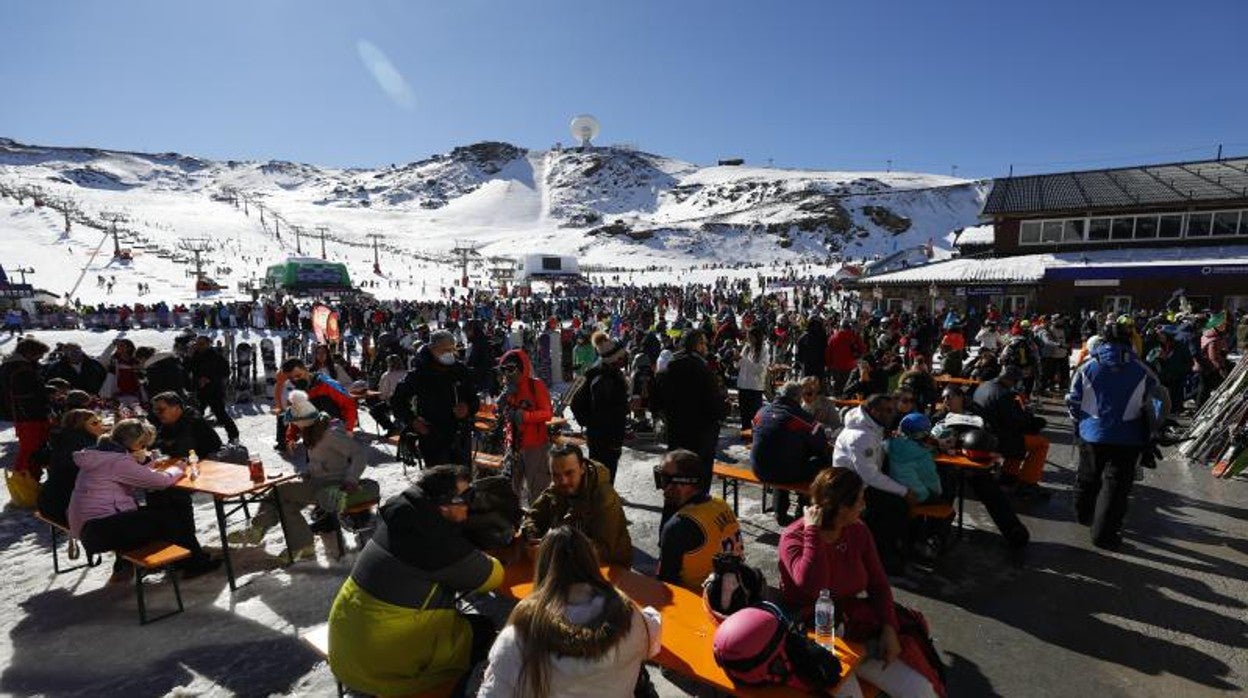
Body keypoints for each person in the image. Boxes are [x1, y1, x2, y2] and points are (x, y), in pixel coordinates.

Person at [328, 465, 503, 697]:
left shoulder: (400, 517)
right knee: (485, 631)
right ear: (444, 505)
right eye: (466, 497)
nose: (471, 504)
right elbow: (493, 576)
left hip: (345, 649)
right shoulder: (436, 540)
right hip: (381, 668)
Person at [779, 468, 942, 698]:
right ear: (841, 507)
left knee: (922, 690)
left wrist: (889, 627)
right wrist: (813, 533)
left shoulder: (857, 530)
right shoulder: (793, 537)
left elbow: (877, 584)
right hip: (813, 637)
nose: (864, 505)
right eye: (859, 500)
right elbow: (815, 587)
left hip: (853, 628)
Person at [479, 526, 662, 698]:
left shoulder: (519, 635)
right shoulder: (632, 617)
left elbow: (492, 693)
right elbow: (652, 635)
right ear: (591, 560)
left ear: (542, 567)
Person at [67, 419, 220, 580]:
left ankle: (184, 559)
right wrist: (179, 468)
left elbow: (135, 474)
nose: (144, 449)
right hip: (101, 530)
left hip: (89, 526)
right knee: (171, 518)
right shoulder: (117, 461)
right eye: (143, 445)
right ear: (135, 442)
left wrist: (148, 461)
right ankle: (194, 564)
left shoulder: (103, 455)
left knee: (161, 513)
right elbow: (160, 482)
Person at [234, 391, 380, 557]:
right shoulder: (314, 432)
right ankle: (302, 547)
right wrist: (308, 473)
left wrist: (352, 479)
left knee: (278, 491)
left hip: (334, 488)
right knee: (286, 505)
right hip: (320, 483)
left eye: (295, 422)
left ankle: (257, 529)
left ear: (303, 421)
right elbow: (323, 461)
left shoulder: (329, 433)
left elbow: (359, 452)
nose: (294, 426)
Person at [1067, 322, 1159, 550]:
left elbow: (1072, 400)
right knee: (1115, 487)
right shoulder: (1142, 369)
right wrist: (1153, 431)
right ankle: (1104, 534)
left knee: (1087, 477)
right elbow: (1157, 402)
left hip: (1091, 433)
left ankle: (1083, 515)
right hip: (1128, 437)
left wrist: (1079, 424)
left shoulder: (1087, 366)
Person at [833, 394, 912, 570]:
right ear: (874, 411)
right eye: (889, 410)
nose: (893, 414)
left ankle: (892, 550)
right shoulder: (860, 436)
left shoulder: (872, 427)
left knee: (896, 503)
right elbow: (870, 476)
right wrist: (903, 490)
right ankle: (882, 557)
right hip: (849, 488)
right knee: (893, 506)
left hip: (861, 482)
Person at [521, 443, 632, 566]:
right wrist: (533, 540)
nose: (563, 481)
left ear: (582, 468)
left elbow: (604, 550)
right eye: (555, 475)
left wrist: (552, 550)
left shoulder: (603, 496)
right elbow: (533, 517)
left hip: (608, 567)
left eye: (569, 473)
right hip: (571, 562)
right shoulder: (556, 488)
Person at [655, 449, 742, 590]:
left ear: (684, 482)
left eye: (664, 479)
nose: (662, 488)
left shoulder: (679, 526)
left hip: (699, 602)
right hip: (733, 590)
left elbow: (666, 585)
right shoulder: (720, 504)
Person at [652, 330, 728, 489]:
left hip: (676, 433)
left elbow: (655, 402)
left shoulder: (668, 369)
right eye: (704, 343)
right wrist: (724, 409)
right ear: (698, 346)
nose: (706, 347)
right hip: (700, 437)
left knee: (676, 479)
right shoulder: (703, 371)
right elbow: (715, 405)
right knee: (696, 483)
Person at [390, 330, 478, 467]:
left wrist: (468, 408)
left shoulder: (460, 370)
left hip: (460, 436)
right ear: (432, 349)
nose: (448, 353)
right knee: (439, 482)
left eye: (451, 349)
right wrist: (412, 421)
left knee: (463, 482)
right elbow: (397, 401)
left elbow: (473, 399)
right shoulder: (420, 373)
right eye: (443, 349)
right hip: (433, 437)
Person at [751, 381, 833, 526]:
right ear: (798, 397)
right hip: (783, 472)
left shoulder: (761, 412)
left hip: (758, 468)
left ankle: (780, 511)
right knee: (822, 463)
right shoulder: (801, 418)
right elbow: (820, 446)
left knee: (779, 458)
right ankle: (803, 511)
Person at [972, 365, 1050, 499]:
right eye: (1016, 381)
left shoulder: (984, 386)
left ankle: (1008, 475)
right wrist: (1035, 422)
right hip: (998, 438)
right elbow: (1015, 421)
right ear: (1011, 380)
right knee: (1041, 443)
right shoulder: (1004, 394)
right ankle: (1028, 483)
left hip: (983, 432)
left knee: (1019, 438)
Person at [496, 349, 554, 503]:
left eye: (511, 369)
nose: (507, 373)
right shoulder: (508, 388)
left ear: (522, 367)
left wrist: (525, 417)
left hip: (535, 445)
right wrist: (502, 403)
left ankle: (539, 521)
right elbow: (502, 414)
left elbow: (547, 413)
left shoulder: (535, 385)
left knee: (538, 489)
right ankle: (516, 521)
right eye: (504, 370)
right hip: (513, 444)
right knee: (511, 489)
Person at [571, 332, 629, 481]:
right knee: (603, 477)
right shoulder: (604, 379)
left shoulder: (607, 374)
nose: (624, 360)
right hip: (605, 439)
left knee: (600, 476)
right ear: (613, 359)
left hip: (601, 437)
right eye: (621, 357)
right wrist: (614, 439)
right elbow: (606, 412)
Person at [2, 338, 52, 503]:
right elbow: (28, 395)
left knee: (31, 449)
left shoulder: (14, 366)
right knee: (30, 450)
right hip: (29, 417)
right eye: (38, 354)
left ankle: (29, 482)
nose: (39, 358)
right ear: (29, 353)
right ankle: (25, 484)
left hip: (26, 416)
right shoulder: (19, 369)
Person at [36, 409, 107, 525]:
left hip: (49, 503)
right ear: (80, 427)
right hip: (65, 508)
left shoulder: (65, 439)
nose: (100, 426)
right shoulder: (84, 447)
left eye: (100, 421)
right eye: (94, 423)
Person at [279, 358, 359, 433]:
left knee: (321, 400)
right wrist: (291, 439)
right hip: (316, 432)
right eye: (291, 378)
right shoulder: (298, 390)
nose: (295, 380)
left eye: (298, 376)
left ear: (306, 369)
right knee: (284, 417)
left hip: (338, 428)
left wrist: (349, 429)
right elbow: (296, 416)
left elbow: (349, 404)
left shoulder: (326, 383)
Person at [186, 335, 240, 442]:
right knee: (194, 415)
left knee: (221, 415)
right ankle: (193, 438)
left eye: (202, 344)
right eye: (197, 344)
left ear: (208, 344)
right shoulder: (194, 356)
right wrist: (189, 356)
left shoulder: (215, 356)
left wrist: (209, 379)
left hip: (214, 391)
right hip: (199, 391)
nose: (199, 346)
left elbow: (225, 372)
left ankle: (234, 436)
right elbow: (187, 369)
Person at [887, 413, 942, 503]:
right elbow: (931, 479)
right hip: (919, 496)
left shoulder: (890, 444)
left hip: (896, 494)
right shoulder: (923, 454)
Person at [150, 391, 223, 459]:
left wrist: (167, 445)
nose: (157, 414)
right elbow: (155, 443)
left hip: (207, 462)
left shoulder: (192, 419)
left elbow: (182, 449)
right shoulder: (168, 421)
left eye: (160, 410)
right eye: (155, 411)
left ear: (176, 408)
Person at [735, 325, 771, 431]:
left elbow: (760, 369)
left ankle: (756, 434)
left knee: (755, 413)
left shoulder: (763, 350)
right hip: (743, 385)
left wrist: (745, 361)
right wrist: (737, 359)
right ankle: (746, 433)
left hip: (755, 386)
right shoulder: (746, 348)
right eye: (748, 337)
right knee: (744, 413)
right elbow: (738, 366)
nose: (748, 339)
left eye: (750, 337)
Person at [43, 343, 107, 394]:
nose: (75, 354)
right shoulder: (56, 367)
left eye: (77, 351)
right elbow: (51, 384)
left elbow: (104, 379)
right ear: (65, 354)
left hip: (95, 397)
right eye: (70, 352)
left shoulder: (94, 364)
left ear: (81, 351)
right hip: (68, 400)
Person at [826, 320, 867, 396]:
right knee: (849, 388)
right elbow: (863, 350)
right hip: (851, 367)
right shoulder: (855, 336)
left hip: (836, 367)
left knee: (837, 387)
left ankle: (838, 403)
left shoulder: (833, 337)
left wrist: (828, 366)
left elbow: (828, 353)